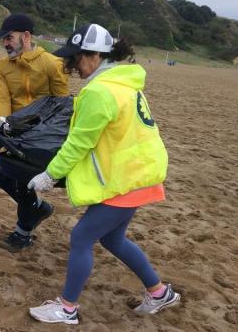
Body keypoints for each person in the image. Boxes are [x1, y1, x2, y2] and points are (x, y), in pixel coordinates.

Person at [26, 24, 180, 325]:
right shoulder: (125, 85)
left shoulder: (99, 91)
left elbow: (79, 143)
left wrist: (49, 175)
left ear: (95, 56)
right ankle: (159, 293)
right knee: (112, 239)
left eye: (77, 59)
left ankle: (66, 308)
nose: (73, 67)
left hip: (126, 180)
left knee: (81, 236)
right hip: (140, 175)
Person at [0, 14, 69, 252]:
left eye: (9, 38)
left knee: (22, 181)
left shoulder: (52, 64)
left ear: (26, 36)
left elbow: (62, 106)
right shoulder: (1, 67)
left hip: (42, 138)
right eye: (3, 39)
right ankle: (39, 207)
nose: (5, 44)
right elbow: (2, 103)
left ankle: (23, 233)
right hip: (14, 133)